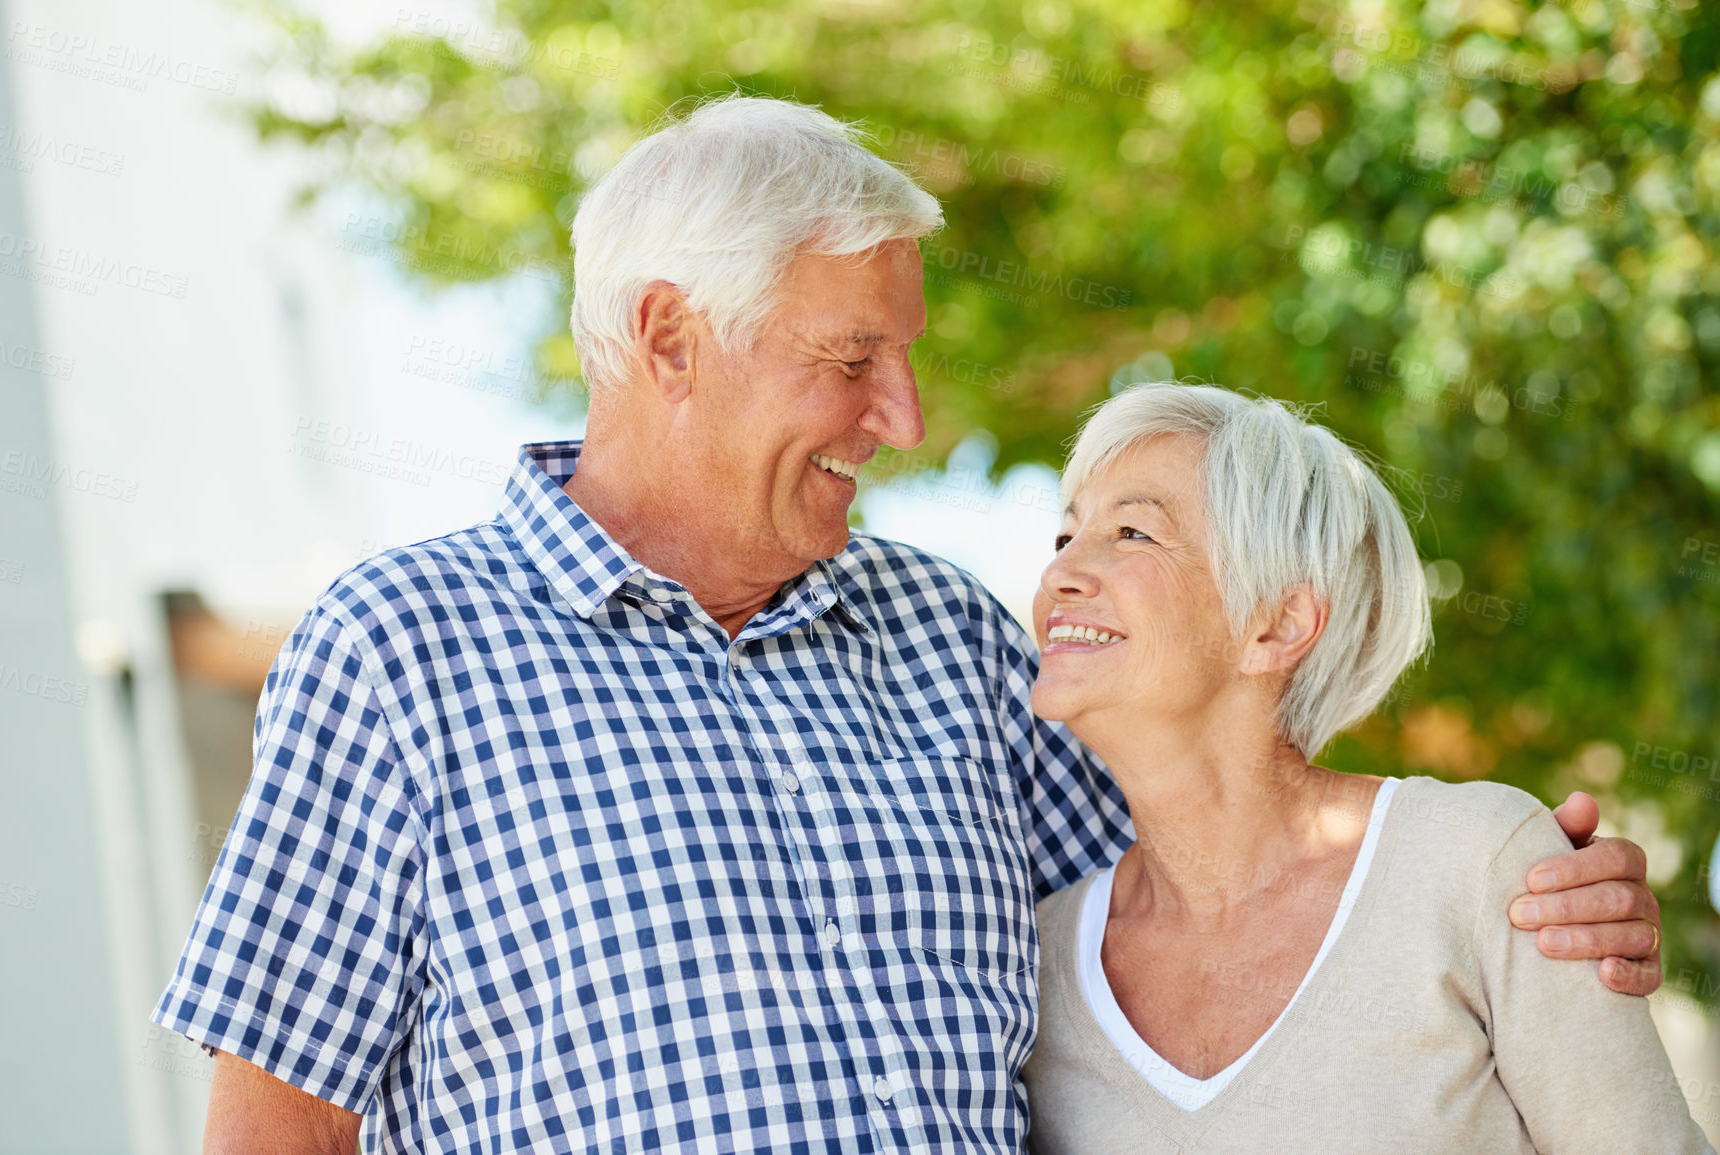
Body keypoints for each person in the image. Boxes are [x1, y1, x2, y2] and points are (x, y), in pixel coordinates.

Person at [152, 96, 1665, 1154]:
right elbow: (278, 1125)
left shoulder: (952, 640)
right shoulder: (401, 650)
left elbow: (1224, 881)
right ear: (668, 334)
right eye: (850, 357)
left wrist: (1517, 894)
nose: (904, 416)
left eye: (905, 357)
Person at [1021, 383, 1708, 1153]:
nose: (1061, 575)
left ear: (1276, 625)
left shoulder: (1476, 862)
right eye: (1063, 538)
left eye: (1133, 533)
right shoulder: (1033, 957)